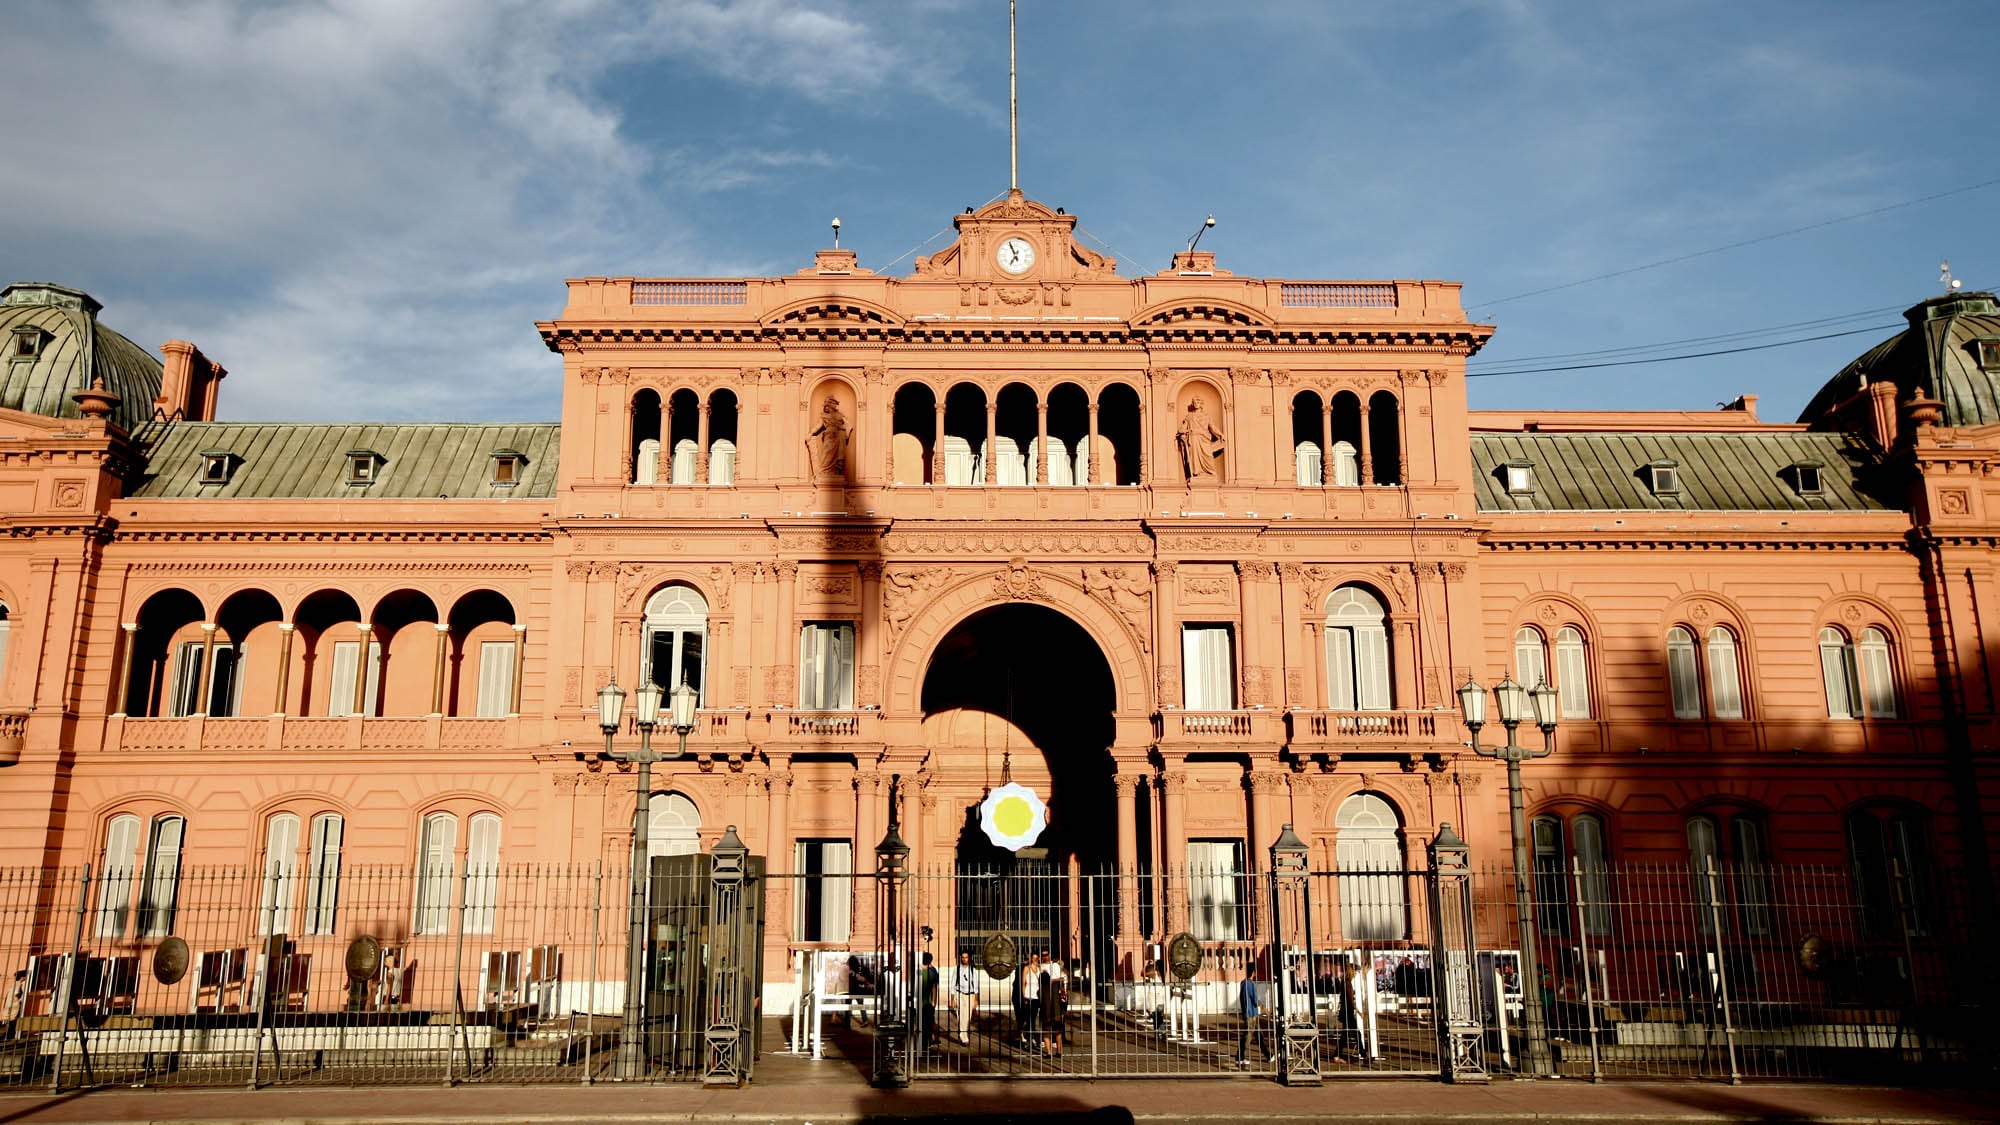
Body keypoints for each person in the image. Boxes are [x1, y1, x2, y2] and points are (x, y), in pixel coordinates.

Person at [1176, 398, 1224, 480]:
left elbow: (1212, 427)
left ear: (1201, 403)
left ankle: (1210, 472)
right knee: (1194, 457)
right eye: (1194, 402)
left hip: (1204, 438)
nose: (1196, 403)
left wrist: (1220, 434)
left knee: (1208, 455)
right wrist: (1187, 431)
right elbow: (1181, 429)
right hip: (1194, 438)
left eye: (1198, 401)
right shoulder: (1189, 416)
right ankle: (1197, 473)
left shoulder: (1206, 416)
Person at [1235, 966, 1271, 1068]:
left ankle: (1268, 1055)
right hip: (1251, 1014)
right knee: (1247, 1037)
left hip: (1249, 1013)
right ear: (1253, 972)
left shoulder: (1243, 983)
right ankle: (1240, 1057)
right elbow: (1255, 1000)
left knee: (1259, 1035)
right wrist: (1265, 1009)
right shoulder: (1250, 984)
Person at [950, 951, 979, 1044]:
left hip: (970, 995)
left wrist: (976, 1000)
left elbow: (976, 986)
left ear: (969, 958)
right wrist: (952, 999)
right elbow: (953, 984)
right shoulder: (957, 969)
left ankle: (962, 1033)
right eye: (963, 957)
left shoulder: (973, 970)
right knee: (961, 1015)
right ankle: (964, 1037)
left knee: (967, 1017)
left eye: (966, 957)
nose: (964, 959)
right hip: (960, 994)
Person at [1040, 956, 1066, 1058]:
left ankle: (1053, 1052)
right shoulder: (1053, 987)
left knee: (1050, 1030)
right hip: (1052, 1007)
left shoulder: (1043, 989)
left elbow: (1061, 978)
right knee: (1054, 1029)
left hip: (1049, 1007)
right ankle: (1055, 1052)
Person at [1017, 952, 1042, 1049]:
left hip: (1037, 996)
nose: (1035, 960)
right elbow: (1023, 983)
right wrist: (1023, 996)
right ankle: (1030, 1039)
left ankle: (1028, 1036)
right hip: (1028, 996)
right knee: (1029, 1019)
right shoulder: (1027, 968)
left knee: (1033, 1018)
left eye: (1037, 958)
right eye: (1033, 958)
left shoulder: (1039, 969)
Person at [919, 951, 939, 1051]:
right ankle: (928, 1041)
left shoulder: (918, 973)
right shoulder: (932, 973)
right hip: (929, 1002)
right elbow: (934, 988)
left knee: (921, 1023)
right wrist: (934, 1001)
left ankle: (922, 1042)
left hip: (920, 1002)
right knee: (929, 1022)